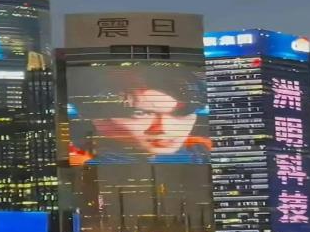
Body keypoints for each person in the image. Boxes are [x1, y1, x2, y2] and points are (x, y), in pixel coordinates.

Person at [68, 65, 211, 165]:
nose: (164, 128)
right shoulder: (79, 163)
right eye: (142, 113)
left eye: (182, 113)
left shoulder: (202, 153)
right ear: (95, 116)